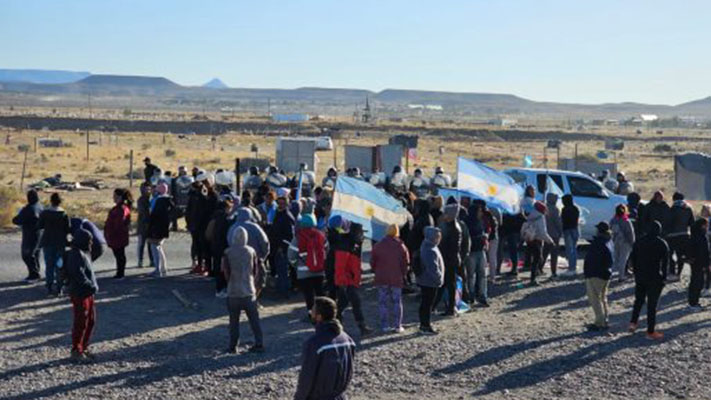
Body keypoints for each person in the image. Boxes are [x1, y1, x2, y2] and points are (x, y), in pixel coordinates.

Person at [294, 296, 355, 400]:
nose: (310, 312)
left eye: (312, 310)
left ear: (319, 317)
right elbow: (350, 371)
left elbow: (307, 378)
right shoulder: (348, 340)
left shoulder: (314, 343)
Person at [222, 226, 264, 354]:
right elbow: (255, 271)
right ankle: (259, 343)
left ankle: (233, 346)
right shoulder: (251, 251)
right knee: (254, 320)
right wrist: (253, 283)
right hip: (248, 290)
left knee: (233, 321)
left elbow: (225, 272)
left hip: (233, 291)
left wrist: (230, 282)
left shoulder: (227, 252)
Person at [332, 218, 372, 336]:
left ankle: (335, 325)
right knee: (355, 302)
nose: (362, 236)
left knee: (342, 304)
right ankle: (362, 326)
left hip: (348, 278)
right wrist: (342, 281)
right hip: (347, 279)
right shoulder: (345, 243)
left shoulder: (345, 241)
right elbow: (340, 266)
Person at [629, 221, 668, 340]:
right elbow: (665, 263)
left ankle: (633, 323)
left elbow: (632, 259)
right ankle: (650, 331)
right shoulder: (662, 243)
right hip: (655, 277)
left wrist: (636, 272)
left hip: (640, 276)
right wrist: (664, 278)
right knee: (652, 305)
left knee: (638, 301)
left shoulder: (639, 241)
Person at [64, 228, 98, 362]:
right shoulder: (75, 254)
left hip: (87, 293)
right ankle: (76, 350)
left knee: (90, 320)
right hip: (80, 293)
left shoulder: (83, 252)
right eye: (89, 240)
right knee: (81, 322)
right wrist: (90, 285)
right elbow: (78, 274)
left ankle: (83, 347)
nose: (91, 243)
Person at [370, 224, 409, 333]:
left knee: (383, 302)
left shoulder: (378, 245)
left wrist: (375, 270)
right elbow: (405, 263)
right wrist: (404, 274)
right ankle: (398, 326)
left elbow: (373, 262)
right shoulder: (401, 246)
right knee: (397, 301)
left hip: (382, 277)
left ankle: (385, 325)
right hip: (396, 277)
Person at [289, 213, 326, 320]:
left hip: (303, 272)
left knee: (308, 295)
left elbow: (291, 255)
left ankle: (311, 315)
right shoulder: (320, 235)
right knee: (320, 292)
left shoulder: (298, 238)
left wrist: (296, 265)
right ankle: (324, 313)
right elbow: (326, 249)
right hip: (319, 270)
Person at [229, 207, 270, 298]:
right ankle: (253, 299)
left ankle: (240, 299)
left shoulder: (232, 227)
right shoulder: (255, 227)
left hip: (236, 260)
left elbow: (229, 242)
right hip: (255, 259)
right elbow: (265, 242)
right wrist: (263, 256)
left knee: (239, 281)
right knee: (258, 280)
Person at [38, 193, 70, 295]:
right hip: (60, 242)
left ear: (51, 201)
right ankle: (59, 287)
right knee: (59, 265)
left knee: (49, 265)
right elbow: (68, 229)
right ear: (60, 202)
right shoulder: (63, 214)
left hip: (47, 241)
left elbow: (39, 225)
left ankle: (49, 286)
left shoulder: (45, 213)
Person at [583, 222, 613, 331]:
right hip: (605, 274)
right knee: (603, 298)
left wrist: (587, 272)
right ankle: (605, 320)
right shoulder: (608, 242)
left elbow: (592, 260)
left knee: (595, 299)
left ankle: (599, 323)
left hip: (595, 274)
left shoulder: (598, 243)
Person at [433, 203, 462, 315]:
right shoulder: (450, 225)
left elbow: (451, 247)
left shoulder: (453, 228)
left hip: (450, 260)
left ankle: (449, 308)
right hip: (450, 259)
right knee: (447, 284)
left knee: (448, 284)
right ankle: (445, 307)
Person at [417, 227, 444, 335]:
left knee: (426, 303)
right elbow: (433, 268)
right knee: (427, 304)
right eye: (438, 236)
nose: (439, 238)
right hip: (429, 282)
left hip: (426, 280)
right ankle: (425, 326)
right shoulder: (430, 250)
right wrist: (439, 279)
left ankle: (424, 324)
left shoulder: (427, 246)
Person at [13, 189, 43, 282]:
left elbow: (16, 220)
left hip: (30, 235)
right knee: (36, 254)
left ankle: (34, 274)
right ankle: (36, 272)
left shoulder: (28, 209)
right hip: (40, 234)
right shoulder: (40, 207)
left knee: (27, 255)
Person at [521, 201, 553, 286]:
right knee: (537, 260)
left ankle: (533, 277)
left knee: (534, 260)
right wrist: (550, 240)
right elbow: (543, 232)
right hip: (537, 241)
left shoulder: (530, 215)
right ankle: (533, 279)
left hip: (529, 240)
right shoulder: (540, 217)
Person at [207, 197, 234, 297]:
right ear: (226, 208)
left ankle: (218, 288)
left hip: (215, 245)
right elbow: (224, 234)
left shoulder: (215, 217)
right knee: (223, 268)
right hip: (222, 246)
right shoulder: (225, 218)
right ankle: (221, 288)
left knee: (218, 266)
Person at [147, 182, 174, 277]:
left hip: (156, 226)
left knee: (154, 247)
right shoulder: (168, 200)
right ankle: (163, 268)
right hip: (164, 226)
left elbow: (152, 214)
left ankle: (158, 269)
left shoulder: (158, 200)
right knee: (159, 247)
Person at [104, 188, 132, 279]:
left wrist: (111, 232)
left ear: (120, 197)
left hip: (118, 236)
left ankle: (120, 273)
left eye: (115, 196)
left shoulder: (121, 209)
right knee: (119, 254)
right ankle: (120, 272)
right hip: (117, 235)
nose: (114, 198)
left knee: (120, 255)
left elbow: (119, 224)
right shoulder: (119, 208)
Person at [667, 192, 694, 280]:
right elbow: (692, 223)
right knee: (681, 255)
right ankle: (679, 274)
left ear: (674, 199)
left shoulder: (672, 209)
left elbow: (668, 222)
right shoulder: (688, 209)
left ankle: (672, 273)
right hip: (684, 235)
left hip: (671, 236)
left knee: (670, 255)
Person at [272, 194, 296, 296]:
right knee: (280, 269)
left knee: (283, 270)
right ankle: (280, 290)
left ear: (287, 204)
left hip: (282, 248)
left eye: (283, 203)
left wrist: (282, 247)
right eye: (279, 203)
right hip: (276, 246)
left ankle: (283, 292)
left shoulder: (287, 216)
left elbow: (289, 235)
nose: (280, 205)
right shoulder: (278, 213)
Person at [466, 203, 489, 306]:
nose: (481, 213)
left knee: (483, 275)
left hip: (481, 250)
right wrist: (480, 237)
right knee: (471, 275)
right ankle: (471, 295)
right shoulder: (467, 222)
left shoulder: (480, 222)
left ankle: (482, 295)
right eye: (479, 211)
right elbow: (468, 237)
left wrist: (484, 237)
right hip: (472, 252)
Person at [609, 204, 635, 282]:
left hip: (615, 241)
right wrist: (632, 243)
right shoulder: (626, 221)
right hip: (625, 242)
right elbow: (631, 233)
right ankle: (621, 276)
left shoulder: (613, 220)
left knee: (615, 259)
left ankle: (609, 274)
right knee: (623, 259)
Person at [688, 218, 709, 310]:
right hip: (699, 263)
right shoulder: (701, 236)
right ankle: (693, 303)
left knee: (695, 282)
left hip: (695, 263)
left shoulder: (694, 235)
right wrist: (706, 264)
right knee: (697, 283)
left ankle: (693, 301)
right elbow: (703, 252)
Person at [543, 193, 563, 278]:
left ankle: (539, 268)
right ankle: (553, 272)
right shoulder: (555, 209)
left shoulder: (544, 208)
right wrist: (560, 231)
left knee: (544, 252)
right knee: (554, 254)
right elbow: (558, 222)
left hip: (545, 233)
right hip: (554, 234)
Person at [561, 194, 580, 277]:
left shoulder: (565, 209)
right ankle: (574, 265)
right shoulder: (576, 209)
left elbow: (563, 220)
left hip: (567, 230)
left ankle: (571, 268)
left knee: (569, 249)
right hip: (575, 229)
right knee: (574, 249)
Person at [502, 211, 525, 276]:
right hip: (517, 233)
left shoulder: (508, 213)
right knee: (514, 251)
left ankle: (514, 269)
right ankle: (514, 268)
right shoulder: (518, 212)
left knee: (513, 251)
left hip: (511, 232)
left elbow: (505, 222)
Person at [136, 182, 154, 268]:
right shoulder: (141, 200)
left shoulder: (152, 199)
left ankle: (152, 260)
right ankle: (140, 260)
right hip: (143, 224)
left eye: (149, 189)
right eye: (146, 189)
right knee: (141, 244)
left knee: (151, 244)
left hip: (150, 224)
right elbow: (143, 212)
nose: (148, 191)